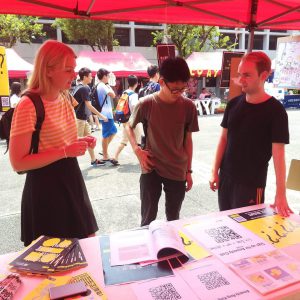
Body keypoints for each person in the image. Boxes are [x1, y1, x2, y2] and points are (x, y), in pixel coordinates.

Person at [9, 40, 99, 246]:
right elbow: (19, 163)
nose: (74, 74)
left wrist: (78, 142)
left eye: (74, 69)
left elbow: (59, 143)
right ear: (48, 70)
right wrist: (66, 150)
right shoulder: (28, 104)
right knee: (52, 261)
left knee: (85, 249)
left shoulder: (64, 96)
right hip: (45, 188)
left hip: (71, 178)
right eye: (68, 69)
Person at [209, 51, 293, 217]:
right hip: (226, 178)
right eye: (240, 74)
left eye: (247, 75)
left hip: (251, 184)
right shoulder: (233, 104)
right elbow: (223, 139)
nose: (241, 80)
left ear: (263, 75)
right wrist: (214, 171)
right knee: (226, 225)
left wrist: (281, 193)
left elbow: (278, 154)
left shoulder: (276, 111)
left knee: (247, 232)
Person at [126, 57, 199, 226]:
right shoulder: (146, 103)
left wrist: (188, 171)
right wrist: (138, 151)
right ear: (161, 82)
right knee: (147, 217)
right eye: (174, 89)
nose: (179, 93)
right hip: (151, 167)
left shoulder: (189, 107)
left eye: (183, 88)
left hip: (178, 168)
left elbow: (188, 140)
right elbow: (129, 127)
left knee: (174, 218)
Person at [73, 67, 107, 166]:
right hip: (79, 119)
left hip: (82, 119)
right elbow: (89, 105)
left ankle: (93, 160)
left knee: (90, 140)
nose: (92, 78)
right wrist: (101, 116)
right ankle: (69, 165)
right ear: (85, 77)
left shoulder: (79, 86)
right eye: (90, 76)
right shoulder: (84, 88)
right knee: (75, 143)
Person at [111, 75, 143, 165]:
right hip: (132, 120)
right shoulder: (133, 95)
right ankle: (142, 160)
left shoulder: (125, 92)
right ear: (137, 84)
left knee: (124, 140)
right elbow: (134, 107)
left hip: (125, 120)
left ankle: (115, 157)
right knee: (139, 140)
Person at [96, 68, 118, 164]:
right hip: (105, 114)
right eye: (108, 76)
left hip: (106, 113)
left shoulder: (101, 85)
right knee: (106, 134)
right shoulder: (102, 86)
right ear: (104, 76)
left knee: (113, 131)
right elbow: (113, 95)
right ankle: (105, 155)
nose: (109, 78)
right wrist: (109, 86)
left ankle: (103, 150)